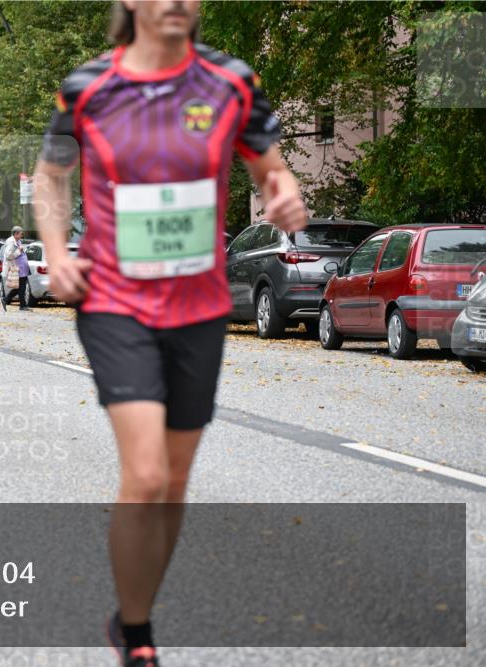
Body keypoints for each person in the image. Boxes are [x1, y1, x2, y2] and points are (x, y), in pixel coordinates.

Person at [33, 3, 307, 666]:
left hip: (200, 305)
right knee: (148, 472)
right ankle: (137, 636)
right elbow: (51, 176)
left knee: (176, 478)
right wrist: (57, 252)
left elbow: (272, 168)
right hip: (114, 301)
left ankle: (134, 608)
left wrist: (283, 193)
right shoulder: (88, 88)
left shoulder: (230, 82)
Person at [2, 226, 32, 311]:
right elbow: (8, 256)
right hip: (18, 268)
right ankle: (22, 305)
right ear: (16, 234)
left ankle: (6, 300)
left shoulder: (17, 240)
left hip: (22, 268)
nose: (22, 234)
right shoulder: (11, 242)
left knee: (19, 287)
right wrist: (19, 251)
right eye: (21, 233)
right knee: (21, 286)